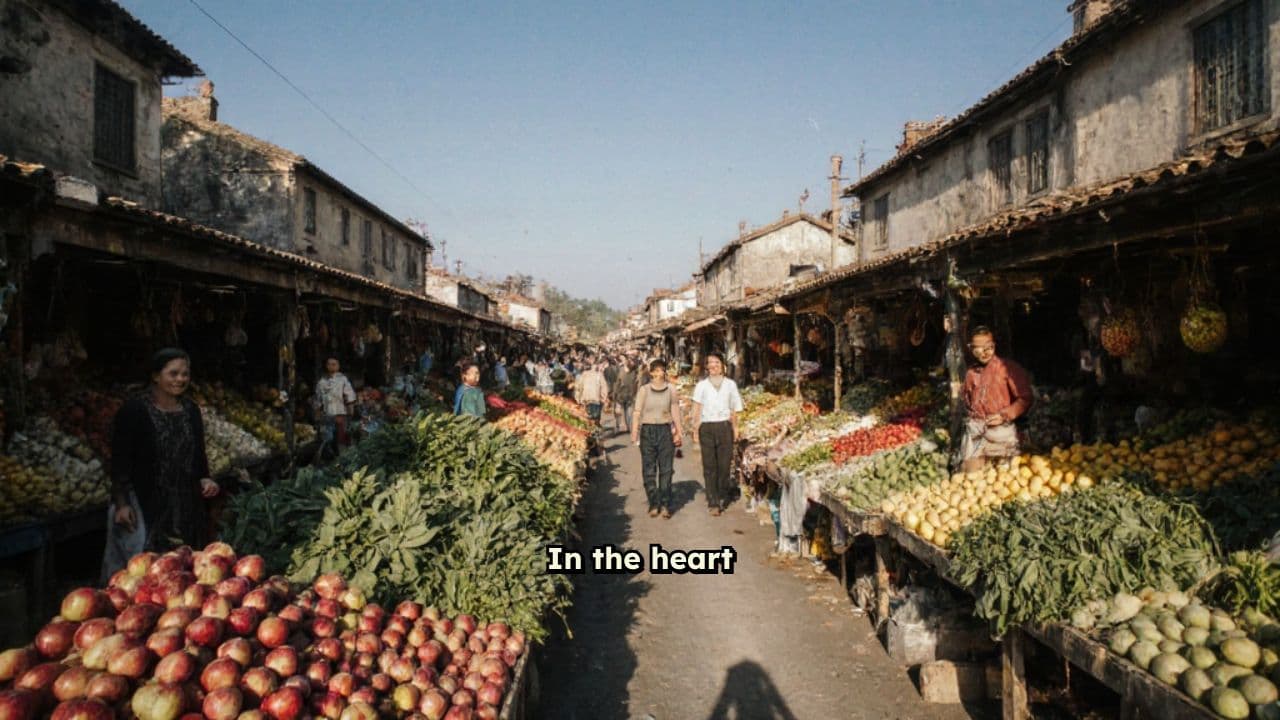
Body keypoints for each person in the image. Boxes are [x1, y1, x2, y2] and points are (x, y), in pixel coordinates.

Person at [109, 348, 219, 552]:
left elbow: (198, 453)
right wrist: (122, 503)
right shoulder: (134, 410)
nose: (180, 379)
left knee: (184, 562)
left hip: (186, 502)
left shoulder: (191, 410)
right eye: (173, 373)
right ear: (155, 376)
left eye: (185, 374)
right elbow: (120, 460)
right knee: (145, 565)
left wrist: (205, 478)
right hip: (146, 500)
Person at [961, 326, 1034, 472]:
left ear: (994, 345)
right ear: (971, 349)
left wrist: (1004, 415)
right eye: (978, 349)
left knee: (1004, 478)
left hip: (1001, 432)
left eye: (989, 347)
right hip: (977, 432)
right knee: (972, 476)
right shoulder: (970, 374)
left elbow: (1025, 398)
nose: (984, 352)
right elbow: (967, 401)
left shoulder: (1007, 368)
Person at [691, 352, 745, 516]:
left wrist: (735, 428)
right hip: (706, 427)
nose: (713, 365)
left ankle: (721, 492)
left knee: (724, 466)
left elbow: (734, 409)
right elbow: (697, 408)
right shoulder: (702, 385)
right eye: (710, 363)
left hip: (724, 427)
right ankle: (713, 502)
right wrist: (695, 429)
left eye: (716, 362)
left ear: (723, 365)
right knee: (709, 466)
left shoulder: (730, 385)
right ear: (707, 367)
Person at [631, 359, 684, 518]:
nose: (661, 373)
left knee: (666, 469)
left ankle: (666, 504)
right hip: (648, 431)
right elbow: (637, 412)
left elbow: (675, 410)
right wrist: (634, 431)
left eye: (663, 370)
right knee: (649, 470)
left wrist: (679, 431)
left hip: (665, 430)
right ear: (652, 372)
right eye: (658, 370)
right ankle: (654, 503)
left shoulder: (671, 390)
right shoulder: (644, 390)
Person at [315, 357, 357, 448]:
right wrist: (318, 414)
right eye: (329, 364)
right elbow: (318, 399)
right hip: (327, 415)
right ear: (326, 366)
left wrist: (350, 412)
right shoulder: (322, 382)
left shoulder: (343, 380)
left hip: (340, 413)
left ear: (338, 366)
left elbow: (349, 395)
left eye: (334, 364)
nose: (331, 366)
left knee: (341, 439)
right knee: (328, 440)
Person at [575, 359, 609, 425]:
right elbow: (604, 387)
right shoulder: (599, 375)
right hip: (596, 399)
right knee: (596, 416)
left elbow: (579, 387)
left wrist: (578, 398)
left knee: (588, 416)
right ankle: (595, 427)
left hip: (586, 399)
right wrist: (604, 398)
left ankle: (590, 429)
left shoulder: (584, 374)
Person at [611, 358, 638, 437]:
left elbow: (617, 383)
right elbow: (617, 383)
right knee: (626, 412)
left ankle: (627, 428)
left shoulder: (631, 372)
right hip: (624, 395)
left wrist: (615, 394)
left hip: (625, 395)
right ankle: (627, 427)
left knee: (627, 412)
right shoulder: (631, 372)